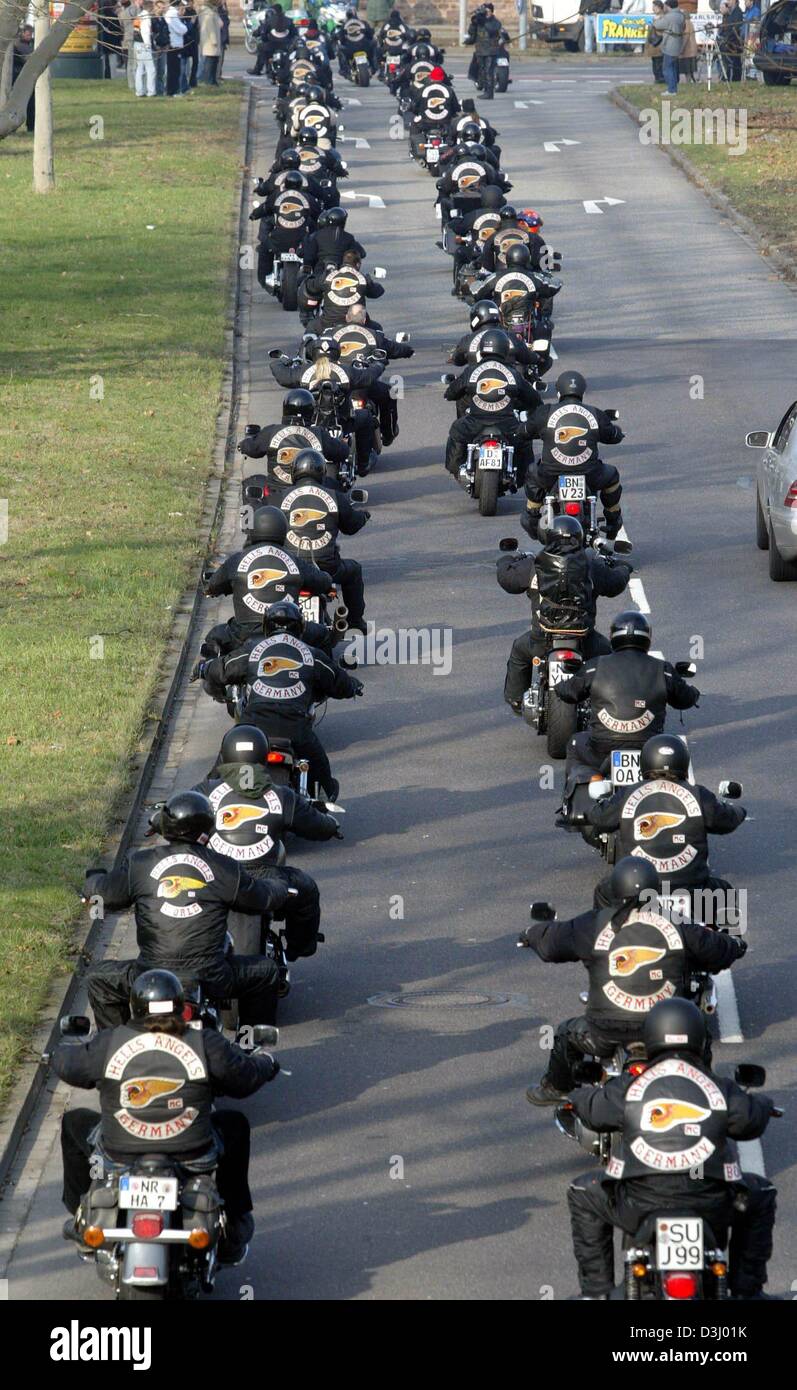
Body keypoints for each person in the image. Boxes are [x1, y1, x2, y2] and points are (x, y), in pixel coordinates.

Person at [55, 969, 279, 1265]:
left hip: (121, 1153)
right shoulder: (204, 1042)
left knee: (73, 1123)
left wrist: (64, 1049)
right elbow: (244, 1077)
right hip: (192, 1153)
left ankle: (80, 1215)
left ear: (133, 1007)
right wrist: (266, 1063)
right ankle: (235, 1225)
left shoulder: (110, 1042)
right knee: (235, 1125)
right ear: (181, 1007)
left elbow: (66, 1064)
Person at [566, 998, 777, 1300]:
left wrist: (580, 1094)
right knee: (761, 1192)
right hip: (712, 1202)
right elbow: (749, 1122)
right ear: (700, 1039)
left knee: (583, 1192)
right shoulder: (717, 1085)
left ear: (649, 1037)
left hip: (638, 1203)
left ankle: (596, 1293)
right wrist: (765, 1105)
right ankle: (747, 1290)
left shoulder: (631, 1084)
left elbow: (595, 1114)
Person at [521, 858, 745, 1104]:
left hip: (605, 1031)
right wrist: (735, 945)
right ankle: (698, 1091)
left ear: (614, 888)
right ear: (655, 889)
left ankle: (556, 1089)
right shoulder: (676, 922)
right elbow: (717, 950)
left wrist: (531, 935)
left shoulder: (593, 924)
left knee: (565, 1034)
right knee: (700, 1038)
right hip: (668, 1027)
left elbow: (550, 943)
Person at [84, 791, 289, 1034]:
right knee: (266, 971)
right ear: (207, 827)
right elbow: (262, 899)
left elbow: (104, 894)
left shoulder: (139, 864)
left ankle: (117, 1045)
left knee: (97, 978)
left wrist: (94, 877)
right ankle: (251, 1044)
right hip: (212, 976)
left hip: (149, 973)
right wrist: (279, 882)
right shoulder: (224, 866)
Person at [195, 724, 342, 962]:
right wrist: (331, 826)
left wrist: (160, 819)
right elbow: (316, 826)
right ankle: (297, 948)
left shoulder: (205, 791)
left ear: (225, 755)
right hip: (266, 876)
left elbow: (178, 812)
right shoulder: (281, 795)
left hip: (216, 876)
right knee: (306, 891)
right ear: (263, 756)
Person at [199, 599, 364, 802]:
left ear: (267, 626)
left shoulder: (253, 652)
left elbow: (221, 670)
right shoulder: (312, 655)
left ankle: (200, 806)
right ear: (301, 627)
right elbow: (339, 682)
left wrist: (203, 669)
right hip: (296, 730)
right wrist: (353, 686)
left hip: (253, 726)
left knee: (217, 774)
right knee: (326, 785)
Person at [588, 733, 747, 912]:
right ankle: (732, 941)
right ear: (683, 762)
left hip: (636, 889)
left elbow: (598, 818)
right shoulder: (698, 795)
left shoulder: (627, 794)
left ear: (646, 761)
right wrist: (740, 811)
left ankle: (609, 937)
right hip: (692, 889)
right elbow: (727, 821)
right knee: (726, 893)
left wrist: (601, 801)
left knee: (603, 892)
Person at [497, 515, 632, 713]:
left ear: (548, 537)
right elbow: (615, 584)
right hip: (584, 641)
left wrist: (506, 560)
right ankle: (613, 706)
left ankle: (517, 700)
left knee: (519, 651)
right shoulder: (591, 566)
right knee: (610, 657)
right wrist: (623, 568)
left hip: (542, 639)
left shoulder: (534, 565)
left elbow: (506, 579)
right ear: (579, 537)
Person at [557, 609, 700, 781]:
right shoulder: (663, 669)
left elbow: (568, 693)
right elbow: (684, 700)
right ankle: (678, 798)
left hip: (602, 746)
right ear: (647, 639)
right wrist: (694, 693)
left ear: (613, 637)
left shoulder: (596, 666)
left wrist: (561, 684)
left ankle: (574, 801)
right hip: (649, 747)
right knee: (673, 748)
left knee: (576, 742)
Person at [201, 503, 337, 655]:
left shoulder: (236, 560)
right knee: (323, 635)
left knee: (213, 639)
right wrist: (328, 584)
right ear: (283, 530)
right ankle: (327, 676)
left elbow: (213, 585)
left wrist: (212, 589)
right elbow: (322, 582)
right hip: (289, 631)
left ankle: (212, 674)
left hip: (244, 634)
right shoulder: (293, 560)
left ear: (254, 530)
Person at [521, 370, 625, 541]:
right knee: (612, 476)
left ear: (558, 392)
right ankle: (613, 519)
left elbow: (524, 431)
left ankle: (532, 514)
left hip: (550, 474)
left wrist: (525, 432)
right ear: (582, 392)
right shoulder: (595, 413)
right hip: (590, 474)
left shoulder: (545, 412)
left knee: (533, 471)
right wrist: (618, 433)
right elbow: (613, 436)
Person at [277, 449, 370, 630]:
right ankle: (355, 620)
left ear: (294, 471)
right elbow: (351, 526)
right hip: (327, 568)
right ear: (322, 472)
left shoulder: (279, 497)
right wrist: (363, 516)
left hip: (288, 566)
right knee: (354, 570)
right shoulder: (335, 497)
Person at [443, 327, 541, 484]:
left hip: (475, 421)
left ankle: (456, 469)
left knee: (456, 430)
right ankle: (524, 478)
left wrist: (452, 393)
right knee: (525, 440)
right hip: (507, 424)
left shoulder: (472, 370)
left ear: (482, 349)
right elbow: (533, 398)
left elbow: (452, 392)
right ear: (504, 349)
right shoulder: (513, 373)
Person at [237, 389, 350, 502]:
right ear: (311, 411)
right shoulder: (319, 434)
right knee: (339, 489)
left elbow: (253, 448)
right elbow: (341, 452)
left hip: (278, 493)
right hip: (312, 494)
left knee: (249, 484)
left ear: (286, 409)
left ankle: (251, 520)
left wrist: (242, 446)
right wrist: (344, 445)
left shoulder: (271, 432)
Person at [653, 0, 685, 93]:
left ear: (668, 6)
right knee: (673, 68)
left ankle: (671, 90)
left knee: (667, 69)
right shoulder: (681, 15)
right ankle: (673, 88)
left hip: (669, 45)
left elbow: (657, 25)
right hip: (678, 44)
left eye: (665, 6)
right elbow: (684, 27)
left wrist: (657, 19)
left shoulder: (669, 17)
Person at [11, 24, 35, 132]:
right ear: (22, 33)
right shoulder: (17, 46)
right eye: (28, 34)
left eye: (31, 34)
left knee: (31, 104)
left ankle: (31, 126)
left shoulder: (31, 44)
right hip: (17, 77)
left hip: (28, 78)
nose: (29, 36)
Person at [132, 2, 157, 96]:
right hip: (144, 44)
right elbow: (145, 32)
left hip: (137, 44)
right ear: (150, 7)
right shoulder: (146, 17)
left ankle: (139, 91)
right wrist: (148, 46)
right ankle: (151, 91)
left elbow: (136, 29)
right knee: (151, 69)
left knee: (140, 68)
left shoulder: (139, 16)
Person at [164, 1, 187, 95]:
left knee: (175, 69)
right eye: (182, 6)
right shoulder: (172, 14)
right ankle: (172, 90)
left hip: (176, 44)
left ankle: (173, 90)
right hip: (174, 45)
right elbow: (182, 29)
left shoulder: (173, 14)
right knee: (174, 70)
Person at [719, 0, 745, 81]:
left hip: (734, 42)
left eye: (729, 0)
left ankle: (736, 79)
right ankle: (726, 77)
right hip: (728, 41)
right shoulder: (730, 12)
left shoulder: (738, 12)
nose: (728, 2)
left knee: (735, 62)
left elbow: (736, 27)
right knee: (727, 61)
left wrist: (728, 37)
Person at [118, 0, 140, 90]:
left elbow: (121, 26)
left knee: (129, 63)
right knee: (135, 62)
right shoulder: (135, 9)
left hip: (127, 39)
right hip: (135, 37)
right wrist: (137, 31)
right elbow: (138, 22)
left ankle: (131, 84)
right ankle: (135, 83)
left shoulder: (121, 13)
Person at [198, 0, 222, 84]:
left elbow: (220, 23)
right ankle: (209, 81)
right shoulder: (208, 12)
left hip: (211, 41)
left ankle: (213, 80)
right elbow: (210, 27)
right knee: (210, 62)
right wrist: (214, 40)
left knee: (214, 61)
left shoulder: (212, 11)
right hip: (210, 41)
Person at [98, 2, 122, 79]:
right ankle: (113, 76)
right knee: (112, 60)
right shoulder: (114, 17)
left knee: (104, 60)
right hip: (113, 41)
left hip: (103, 41)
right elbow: (118, 30)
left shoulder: (100, 18)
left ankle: (104, 75)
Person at [152, 0, 171, 93]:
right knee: (155, 70)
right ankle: (155, 89)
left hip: (164, 47)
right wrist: (155, 46)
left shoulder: (163, 19)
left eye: (162, 7)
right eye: (159, 7)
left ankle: (161, 89)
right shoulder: (153, 19)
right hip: (156, 48)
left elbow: (167, 32)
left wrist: (167, 43)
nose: (161, 9)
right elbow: (151, 34)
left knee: (162, 70)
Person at [646, 0, 666, 82]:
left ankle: (660, 78)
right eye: (653, 7)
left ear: (660, 8)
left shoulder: (663, 17)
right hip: (653, 43)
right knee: (655, 62)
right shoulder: (654, 17)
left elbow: (662, 29)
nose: (653, 8)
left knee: (659, 62)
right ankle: (657, 77)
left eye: (655, 6)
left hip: (659, 43)